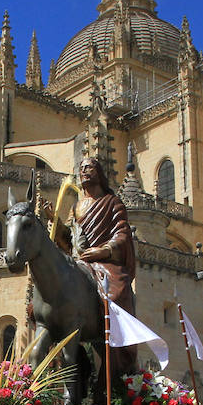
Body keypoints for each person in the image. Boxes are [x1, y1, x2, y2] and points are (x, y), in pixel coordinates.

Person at [73, 156, 137, 377]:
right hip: (81, 261)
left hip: (107, 261)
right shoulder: (78, 206)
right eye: (81, 168)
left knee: (116, 295)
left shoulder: (113, 202)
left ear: (99, 172)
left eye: (89, 167)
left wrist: (105, 250)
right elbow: (74, 239)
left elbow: (122, 233)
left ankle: (119, 364)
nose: (84, 172)